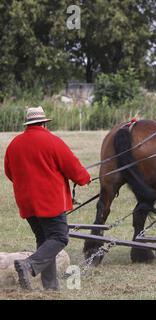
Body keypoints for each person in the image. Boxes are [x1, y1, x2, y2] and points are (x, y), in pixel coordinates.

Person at [4, 106, 91, 291]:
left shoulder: (14, 144)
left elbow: (10, 173)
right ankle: (29, 265)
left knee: (44, 240)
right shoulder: (52, 141)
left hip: (27, 202)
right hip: (49, 202)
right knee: (59, 237)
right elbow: (72, 166)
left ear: (28, 124)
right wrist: (84, 178)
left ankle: (50, 286)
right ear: (44, 122)